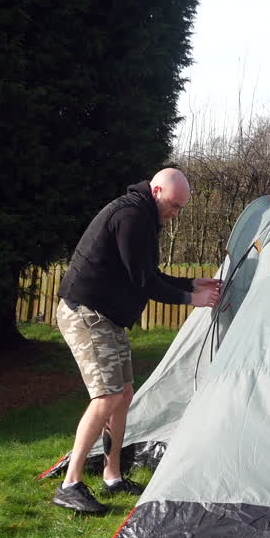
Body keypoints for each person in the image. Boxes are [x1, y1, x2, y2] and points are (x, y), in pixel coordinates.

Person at [52, 168, 220, 513]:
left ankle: (112, 475)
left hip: (107, 317)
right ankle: (70, 484)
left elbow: (149, 273)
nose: (175, 214)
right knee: (108, 395)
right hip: (85, 312)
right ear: (156, 191)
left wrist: (191, 283)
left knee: (124, 394)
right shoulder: (130, 215)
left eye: (180, 208)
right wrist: (192, 302)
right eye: (174, 205)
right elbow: (144, 282)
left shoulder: (144, 216)